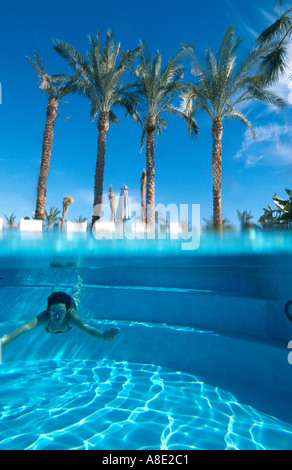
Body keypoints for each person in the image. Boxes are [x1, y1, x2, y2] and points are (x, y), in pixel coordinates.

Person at [0, 275, 119, 349]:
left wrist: (102, 336)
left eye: (61, 312)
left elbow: (85, 327)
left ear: (67, 311)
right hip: (57, 306)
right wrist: (2, 342)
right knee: (54, 296)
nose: (56, 316)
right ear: (48, 310)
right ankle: (55, 288)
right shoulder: (45, 316)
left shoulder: (71, 315)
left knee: (76, 295)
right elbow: (22, 328)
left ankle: (79, 282)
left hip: (70, 304)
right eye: (52, 312)